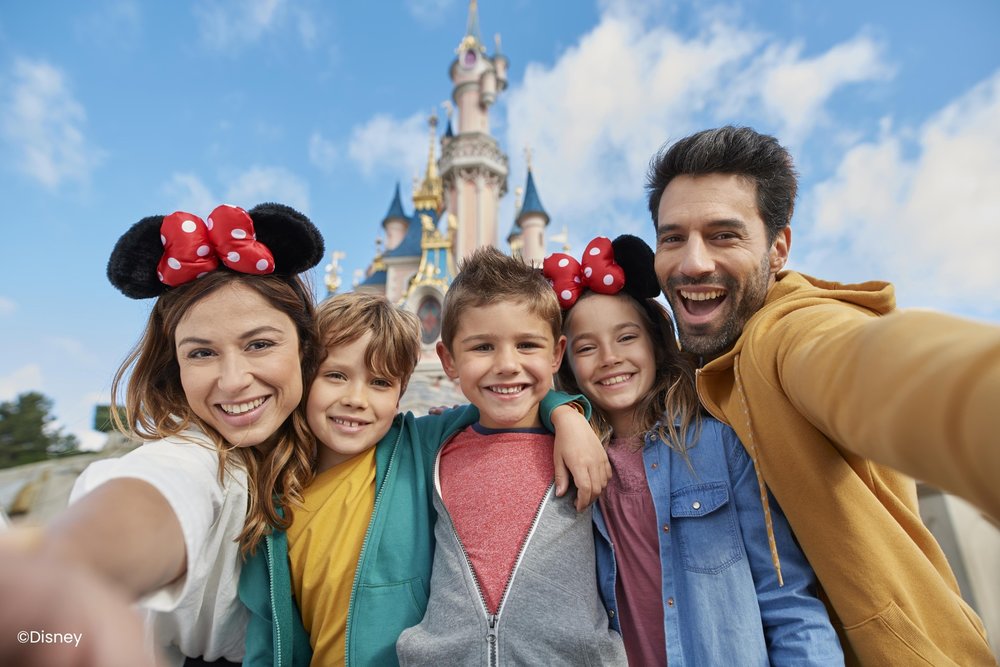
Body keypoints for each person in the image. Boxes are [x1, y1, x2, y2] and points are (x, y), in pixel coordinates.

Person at [645, 125, 999, 665]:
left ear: (778, 248)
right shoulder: (687, 378)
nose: (692, 262)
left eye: (723, 235)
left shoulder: (786, 335)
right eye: (673, 237)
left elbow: (881, 369)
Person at [3, 202, 326, 667]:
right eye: (201, 354)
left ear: (305, 347)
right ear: (175, 367)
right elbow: (159, 490)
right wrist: (69, 568)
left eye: (259, 344)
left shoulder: (343, 447)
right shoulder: (198, 454)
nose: (233, 380)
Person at [240, 292, 609, 666]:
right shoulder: (274, 498)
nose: (356, 398)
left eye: (380, 383)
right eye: (336, 376)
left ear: (400, 394)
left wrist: (567, 415)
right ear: (305, 378)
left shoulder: (418, 444)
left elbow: (504, 404)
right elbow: (268, 636)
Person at [549, 234, 843, 666]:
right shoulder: (567, 461)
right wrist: (560, 412)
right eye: (586, 348)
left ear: (654, 342)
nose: (609, 357)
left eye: (626, 338)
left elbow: (786, 600)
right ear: (567, 363)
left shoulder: (719, 445)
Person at [396, 247, 627, 666]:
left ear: (556, 354)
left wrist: (567, 412)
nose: (506, 365)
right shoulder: (432, 445)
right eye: (483, 347)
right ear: (448, 360)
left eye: (526, 344)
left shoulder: (588, 442)